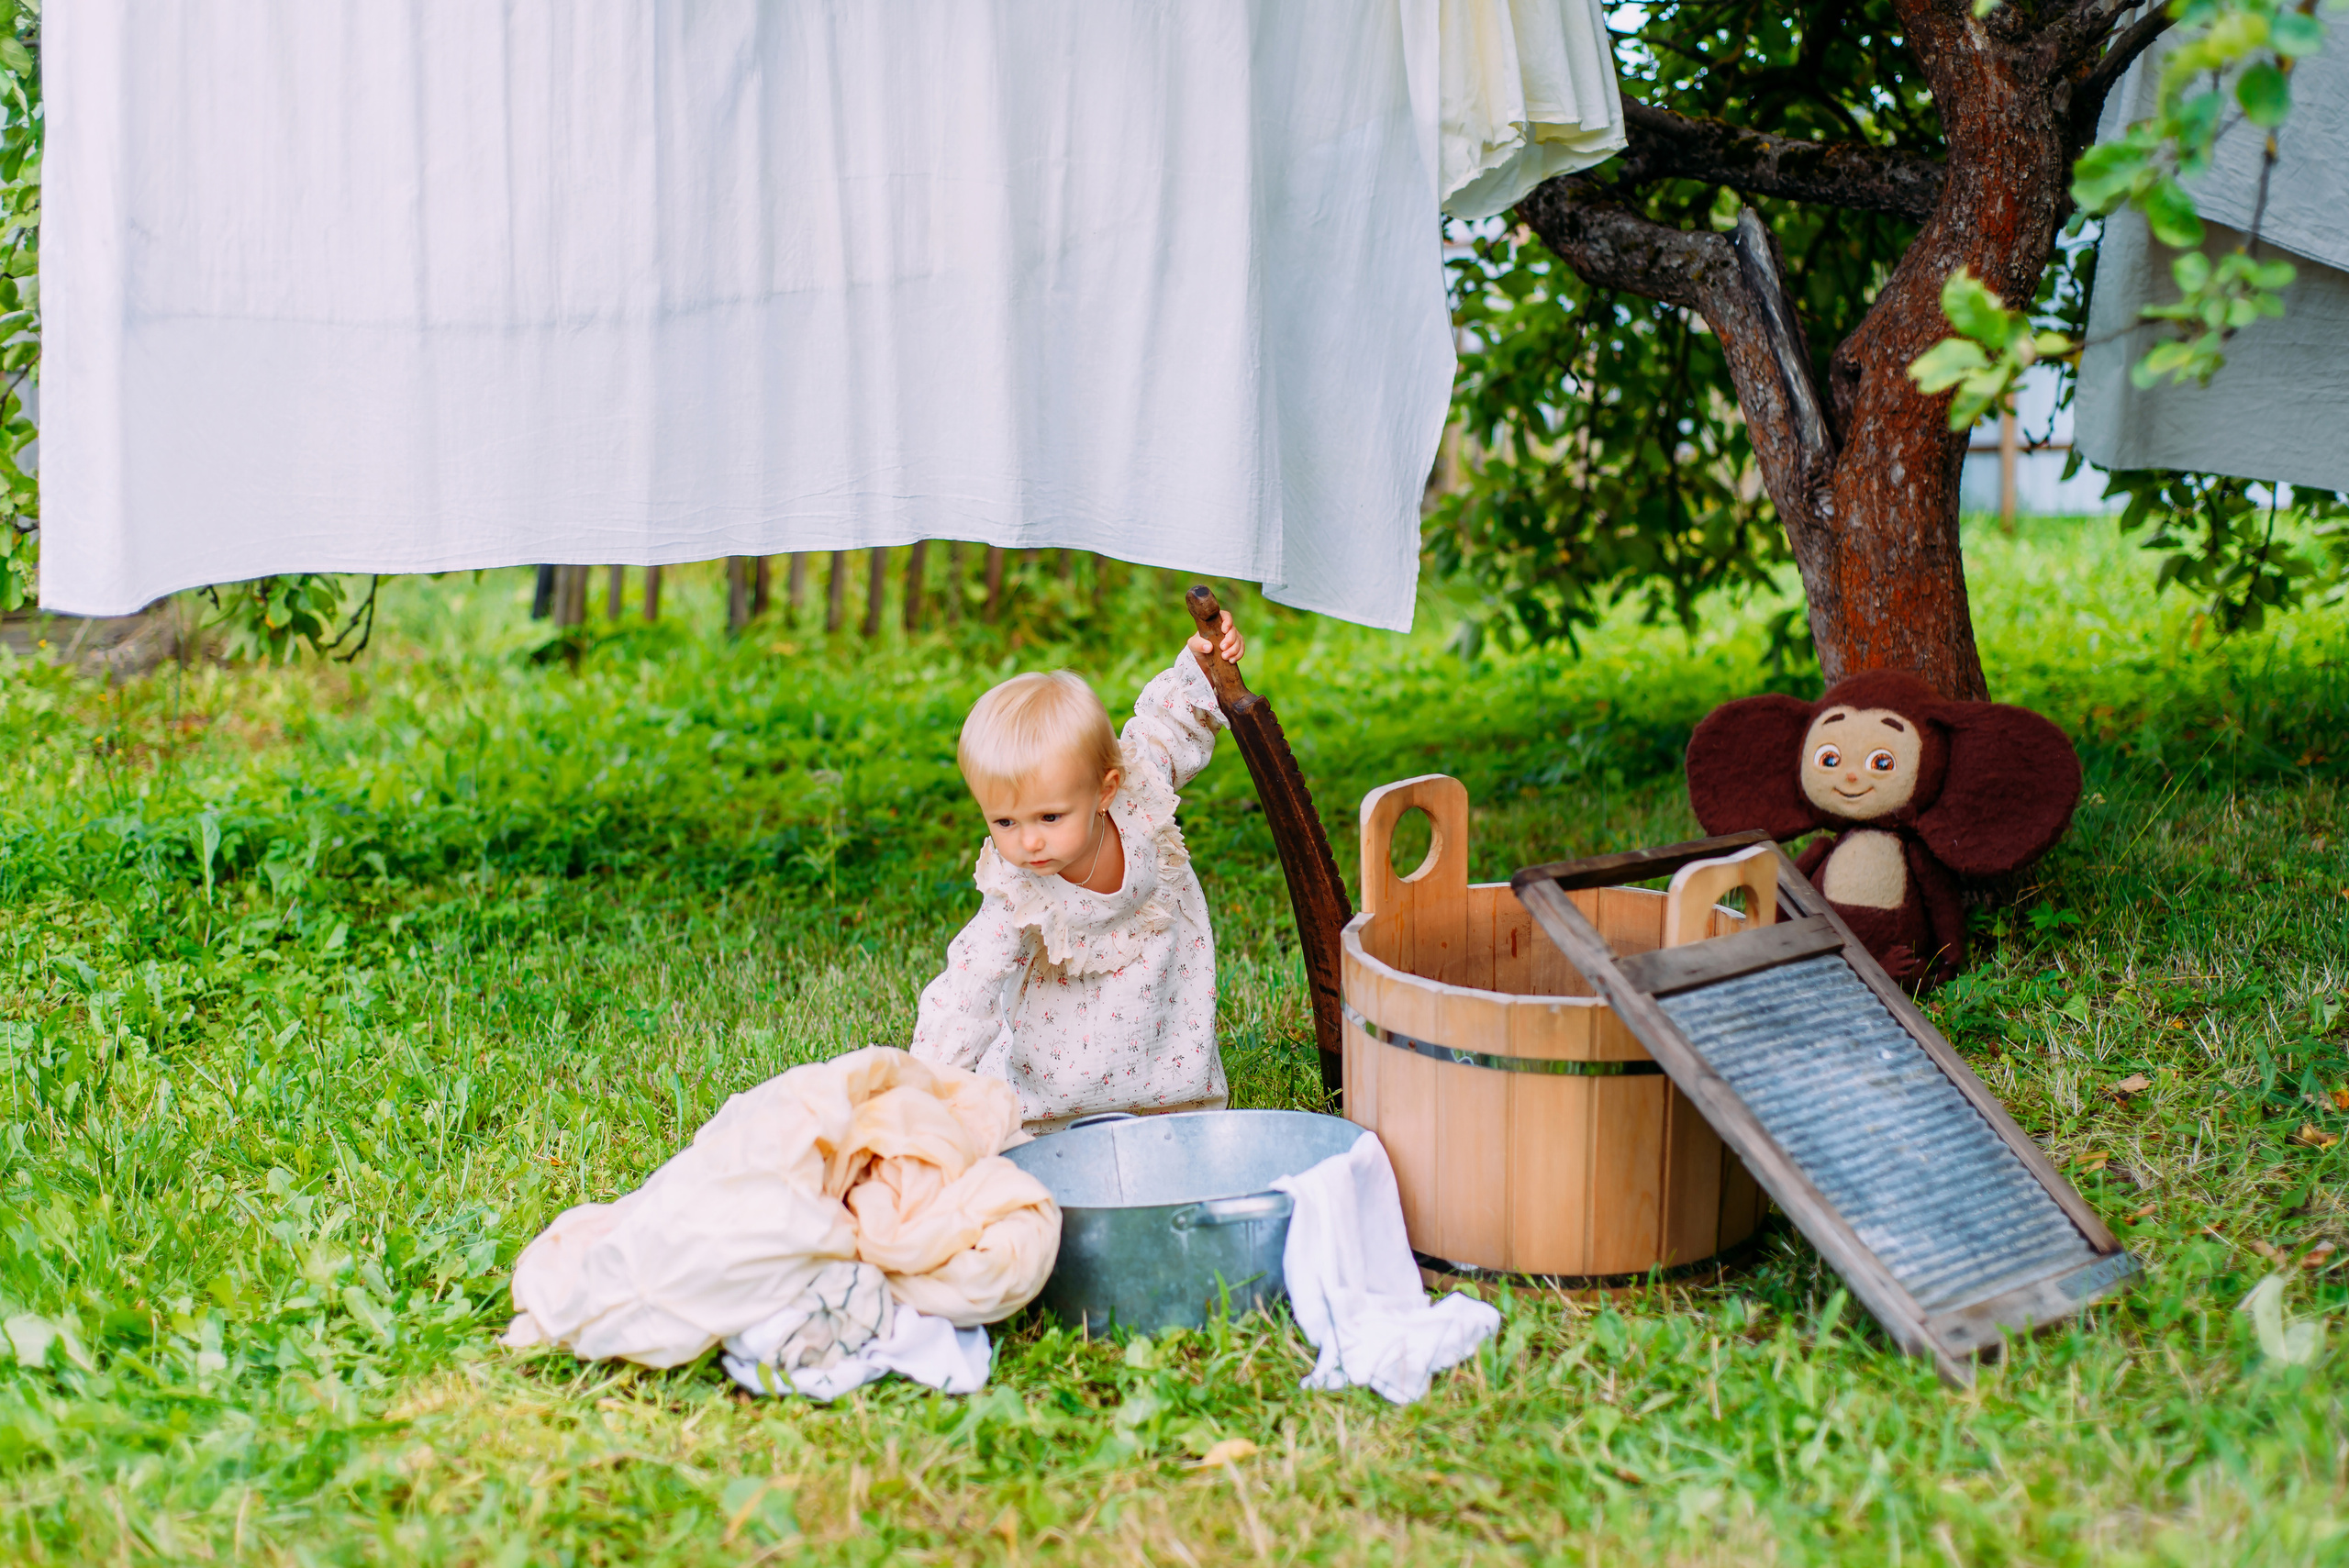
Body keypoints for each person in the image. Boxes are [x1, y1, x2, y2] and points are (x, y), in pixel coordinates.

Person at [909, 612, 1246, 1129]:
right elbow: (969, 983)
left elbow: (1166, 727)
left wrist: (1203, 663)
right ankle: (1051, 1123)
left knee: (1174, 1118)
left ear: (1105, 790)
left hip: (1163, 1036)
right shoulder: (1021, 888)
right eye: (1004, 820)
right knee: (1031, 1135)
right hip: (1056, 1078)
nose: (1028, 841)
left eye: (1049, 816)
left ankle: (1171, 1112)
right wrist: (921, 1093)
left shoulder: (1138, 799)